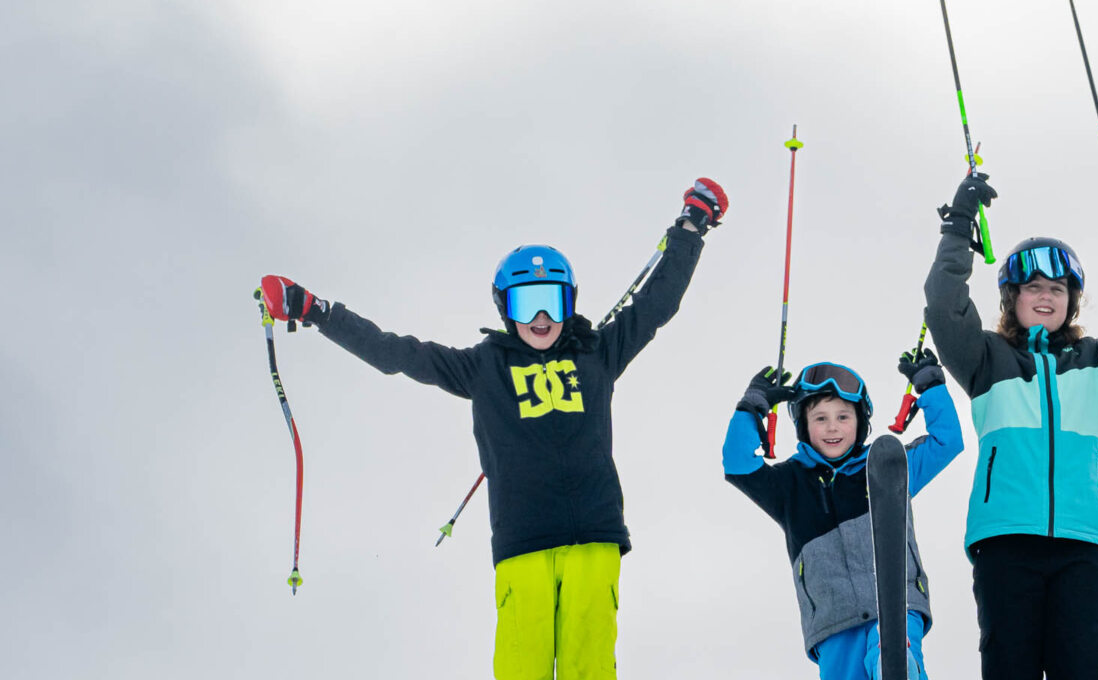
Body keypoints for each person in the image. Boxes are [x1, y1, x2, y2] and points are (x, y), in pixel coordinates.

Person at [256, 179, 727, 680]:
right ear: (506, 310)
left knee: (587, 666)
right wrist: (316, 311)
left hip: (595, 536)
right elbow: (396, 353)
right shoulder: (482, 368)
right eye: (527, 304)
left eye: (552, 301)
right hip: (523, 541)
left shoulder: (598, 353)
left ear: (569, 304)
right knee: (522, 666)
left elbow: (657, 304)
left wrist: (691, 228)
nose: (541, 317)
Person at [922, 174, 1098, 679]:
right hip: (1007, 539)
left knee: (1082, 665)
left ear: (1072, 300)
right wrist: (958, 229)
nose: (1045, 297)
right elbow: (943, 305)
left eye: (1057, 288)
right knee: (1009, 663)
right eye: (1032, 287)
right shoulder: (985, 358)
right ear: (1011, 298)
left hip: (1083, 542)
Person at [724, 353, 963, 679]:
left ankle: (895, 671)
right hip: (834, 623)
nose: (832, 427)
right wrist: (753, 407)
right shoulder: (789, 485)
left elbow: (947, 442)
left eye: (843, 416)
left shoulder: (888, 467)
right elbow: (737, 464)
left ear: (860, 421)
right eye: (820, 418)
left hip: (896, 608)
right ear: (804, 427)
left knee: (892, 652)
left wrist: (931, 386)